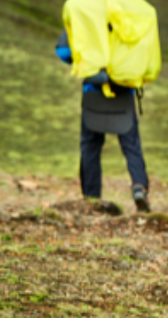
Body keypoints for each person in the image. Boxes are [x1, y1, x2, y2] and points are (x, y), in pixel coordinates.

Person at [57, 31, 151, 212]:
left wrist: (81, 59)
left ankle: (92, 199)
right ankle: (140, 188)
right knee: (131, 146)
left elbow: (63, 51)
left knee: (90, 147)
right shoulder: (127, 14)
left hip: (93, 90)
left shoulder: (85, 12)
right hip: (124, 90)